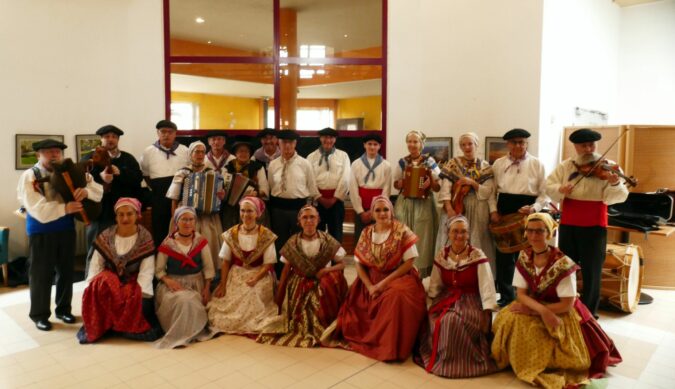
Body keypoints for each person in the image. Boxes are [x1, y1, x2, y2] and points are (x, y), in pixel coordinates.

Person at [491, 213, 622, 388]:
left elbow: (567, 304)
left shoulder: (563, 263)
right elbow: (521, 294)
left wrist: (540, 311)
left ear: (549, 234)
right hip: (537, 304)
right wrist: (539, 311)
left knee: (534, 331)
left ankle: (535, 363)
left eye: (539, 231)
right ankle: (514, 359)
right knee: (508, 319)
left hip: (561, 309)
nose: (534, 236)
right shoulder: (524, 256)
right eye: (529, 231)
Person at [325, 195, 426, 361]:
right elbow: (358, 263)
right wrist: (370, 286)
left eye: (385, 209)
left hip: (399, 276)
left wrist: (383, 284)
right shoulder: (366, 232)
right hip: (371, 278)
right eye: (377, 210)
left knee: (396, 296)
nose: (382, 213)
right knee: (357, 303)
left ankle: (391, 347)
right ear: (371, 214)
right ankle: (375, 340)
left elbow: (409, 262)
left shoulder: (402, 231)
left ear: (392, 212)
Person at [17, 139, 103, 331]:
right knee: (41, 274)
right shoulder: (30, 175)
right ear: (38, 154)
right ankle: (39, 314)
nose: (54, 155)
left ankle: (63, 309)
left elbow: (98, 190)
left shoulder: (72, 170)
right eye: (48, 152)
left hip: (66, 228)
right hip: (41, 230)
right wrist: (66, 208)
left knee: (66, 271)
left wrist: (85, 192)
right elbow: (36, 208)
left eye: (58, 151)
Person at [545, 128, 629, 317]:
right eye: (584, 146)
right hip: (569, 222)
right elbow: (548, 186)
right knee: (566, 266)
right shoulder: (566, 166)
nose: (589, 149)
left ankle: (590, 311)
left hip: (594, 224)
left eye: (592, 144)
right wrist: (561, 189)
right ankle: (566, 305)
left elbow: (618, 197)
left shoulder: (609, 167)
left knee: (592, 269)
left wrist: (615, 183)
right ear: (575, 147)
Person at [414, 216, 498, 378]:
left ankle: (456, 362)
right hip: (446, 297)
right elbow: (435, 283)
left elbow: (487, 286)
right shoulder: (442, 255)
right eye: (455, 232)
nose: (459, 235)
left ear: (468, 235)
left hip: (471, 300)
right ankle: (443, 358)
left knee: (452, 321)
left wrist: (487, 313)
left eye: (463, 232)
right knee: (436, 318)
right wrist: (430, 301)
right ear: (448, 233)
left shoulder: (477, 255)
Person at [257, 205, 348, 347]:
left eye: (312, 217)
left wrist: (325, 271)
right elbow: (286, 270)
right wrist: (279, 298)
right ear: (299, 221)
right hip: (299, 282)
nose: (309, 220)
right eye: (305, 217)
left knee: (323, 290)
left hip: (322, 280)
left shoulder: (328, 240)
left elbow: (342, 264)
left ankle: (322, 325)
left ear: (318, 220)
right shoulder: (293, 242)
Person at [79, 198, 160, 343]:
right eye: (121, 214)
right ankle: (103, 325)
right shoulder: (106, 235)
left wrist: (142, 292)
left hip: (132, 279)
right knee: (101, 283)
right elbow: (96, 263)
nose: (125, 218)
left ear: (137, 215)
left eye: (129, 214)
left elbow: (146, 270)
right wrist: (91, 285)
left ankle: (119, 325)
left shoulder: (144, 237)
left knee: (134, 296)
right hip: (110, 279)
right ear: (116, 217)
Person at [489, 128, 548, 307]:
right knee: (504, 258)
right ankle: (507, 296)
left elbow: (545, 194)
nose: (518, 145)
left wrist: (534, 207)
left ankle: (529, 296)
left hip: (528, 212)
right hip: (504, 209)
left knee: (529, 257)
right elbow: (492, 192)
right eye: (514, 142)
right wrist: (493, 211)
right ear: (508, 144)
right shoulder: (498, 164)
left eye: (522, 142)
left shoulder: (537, 164)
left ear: (526, 143)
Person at [208, 196, 281, 334]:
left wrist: (256, 278)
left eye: (250, 211)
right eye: (243, 211)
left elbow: (268, 263)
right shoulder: (231, 233)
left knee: (252, 293)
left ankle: (248, 322)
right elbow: (225, 262)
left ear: (257, 214)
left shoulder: (265, 235)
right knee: (229, 300)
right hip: (237, 273)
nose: (245, 214)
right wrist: (223, 284)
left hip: (259, 274)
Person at [82, 125, 143, 276]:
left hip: (123, 214)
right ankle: (91, 284)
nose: (110, 139)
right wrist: (99, 177)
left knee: (121, 249)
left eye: (114, 137)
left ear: (118, 139)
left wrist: (120, 173)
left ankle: (116, 282)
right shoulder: (89, 158)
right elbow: (82, 179)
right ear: (101, 139)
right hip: (99, 213)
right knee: (95, 250)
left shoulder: (127, 158)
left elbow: (137, 179)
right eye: (107, 136)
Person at [154, 206, 215, 348]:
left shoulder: (201, 241)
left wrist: (207, 288)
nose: (187, 223)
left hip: (196, 284)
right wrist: (168, 281)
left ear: (195, 222)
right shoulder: (168, 243)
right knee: (183, 301)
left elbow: (208, 267)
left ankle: (191, 332)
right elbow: (159, 270)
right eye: (184, 219)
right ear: (176, 222)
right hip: (173, 284)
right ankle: (180, 334)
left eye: (191, 219)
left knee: (190, 300)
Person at [436, 132, 496, 272]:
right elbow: (445, 189)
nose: (467, 147)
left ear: (476, 145)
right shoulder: (453, 163)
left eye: (470, 144)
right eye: (463, 144)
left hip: (478, 208)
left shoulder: (485, 166)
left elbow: (488, 192)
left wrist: (472, 183)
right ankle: (451, 273)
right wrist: (449, 209)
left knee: (478, 242)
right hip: (457, 207)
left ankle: (478, 275)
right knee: (454, 240)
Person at [166, 141, 224, 271]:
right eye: (196, 152)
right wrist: (175, 220)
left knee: (208, 243)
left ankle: (208, 273)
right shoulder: (182, 172)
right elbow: (174, 198)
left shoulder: (212, 173)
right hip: (184, 215)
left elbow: (218, 197)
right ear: (190, 154)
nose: (200, 155)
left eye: (202, 152)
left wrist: (220, 195)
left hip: (207, 217)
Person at [267, 129, 319, 274]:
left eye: (290, 143)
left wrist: (310, 209)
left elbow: (311, 186)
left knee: (298, 241)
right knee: (280, 241)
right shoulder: (273, 164)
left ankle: (297, 272)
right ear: (279, 144)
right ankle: (280, 273)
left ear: (295, 144)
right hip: (278, 208)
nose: (287, 146)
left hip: (298, 208)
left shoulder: (305, 164)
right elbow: (272, 185)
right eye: (284, 143)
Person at [393, 130, 440, 278]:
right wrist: (401, 182)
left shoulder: (430, 162)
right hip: (405, 203)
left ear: (421, 144)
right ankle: (404, 270)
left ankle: (420, 272)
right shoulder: (402, 162)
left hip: (424, 203)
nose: (412, 145)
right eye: (410, 141)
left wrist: (430, 181)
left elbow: (437, 186)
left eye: (415, 141)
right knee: (403, 236)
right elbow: (396, 184)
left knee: (422, 236)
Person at [139, 119, 189, 246]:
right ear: (157, 133)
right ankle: (161, 260)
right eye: (163, 132)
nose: (166, 135)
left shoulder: (185, 150)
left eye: (170, 132)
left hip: (180, 198)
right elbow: (145, 175)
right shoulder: (148, 151)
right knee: (160, 229)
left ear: (175, 134)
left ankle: (178, 258)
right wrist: (158, 189)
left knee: (180, 227)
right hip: (159, 196)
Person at [307, 127, 351, 242]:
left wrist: (335, 198)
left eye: (331, 137)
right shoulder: (311, 157)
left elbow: (346, 178)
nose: (328, 140)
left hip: (336, 201)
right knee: (316, 233)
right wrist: (318, 197)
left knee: (336, 234)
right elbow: (309, 179)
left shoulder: (343, 156)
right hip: (317, 201)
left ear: (335, 139)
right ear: (320, 138)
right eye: (325, 137)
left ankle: (336, 260)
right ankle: (318, 259)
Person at [349, 134, 391, 244]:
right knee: (361, 238)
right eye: (369, 144)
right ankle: (360, 260)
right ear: (364, 145)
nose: (372, 147)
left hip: (379, 207)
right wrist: (361, 211)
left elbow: (387, 189)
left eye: (375, 144)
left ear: (379, 146)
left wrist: (376, 210)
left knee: (378, 238)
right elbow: (353, 188)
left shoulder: (386, 165)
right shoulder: (356, 164)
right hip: (361, 206)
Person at [222, 141, 270, 230]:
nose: (243, 154)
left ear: (250, 154)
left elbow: (265, 188)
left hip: (252, 207)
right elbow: (222, 187)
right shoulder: (228, 168)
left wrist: (257, 193)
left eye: (246, 151)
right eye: (240, 151)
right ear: (235, 153)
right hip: (231, 209)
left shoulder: (258, 167)